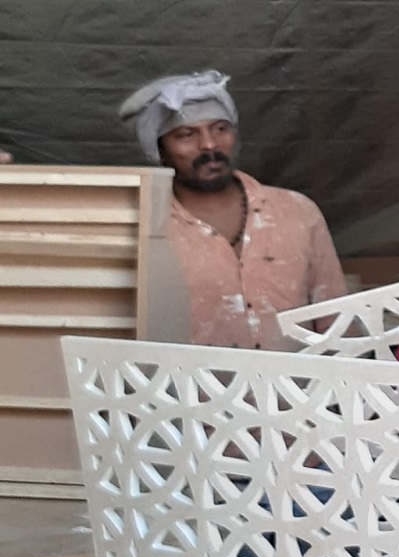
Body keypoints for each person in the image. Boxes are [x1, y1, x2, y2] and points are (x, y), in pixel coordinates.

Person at [119, 70, 347, 351]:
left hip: (297, 381)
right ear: (159, 150)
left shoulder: (298, 211)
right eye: (186, 134)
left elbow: (339, 324)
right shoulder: (145, 227)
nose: (209, 144)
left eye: (220, 129)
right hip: (192, 381)